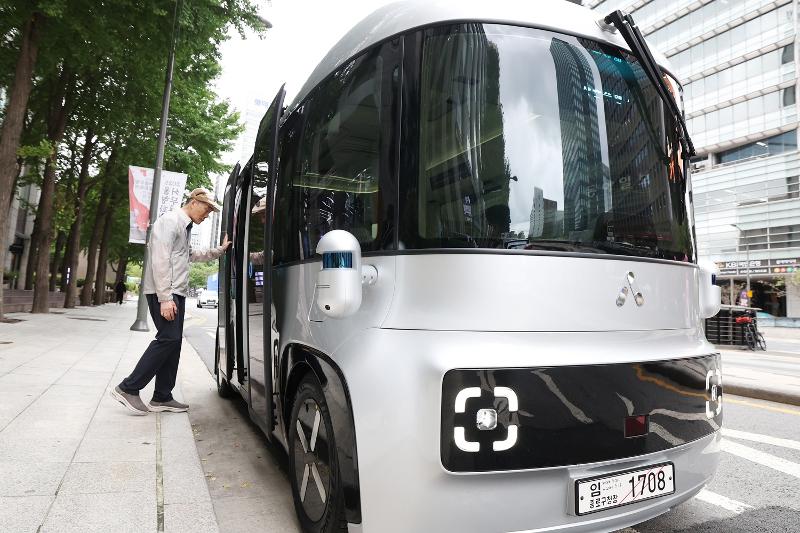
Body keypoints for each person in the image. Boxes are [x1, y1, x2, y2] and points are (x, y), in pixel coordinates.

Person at [111, 187, 231, 415]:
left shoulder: (183, 228)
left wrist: (219, 251)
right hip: (165, 291)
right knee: (168, 338)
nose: (207, 216)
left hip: (176, 291)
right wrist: (165, 298)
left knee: (174, 342)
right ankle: (128, 388)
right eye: (207, 209)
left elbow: (192, 255)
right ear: (195, 202)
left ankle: (162, 396)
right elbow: (160, 259)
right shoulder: (170, 221)